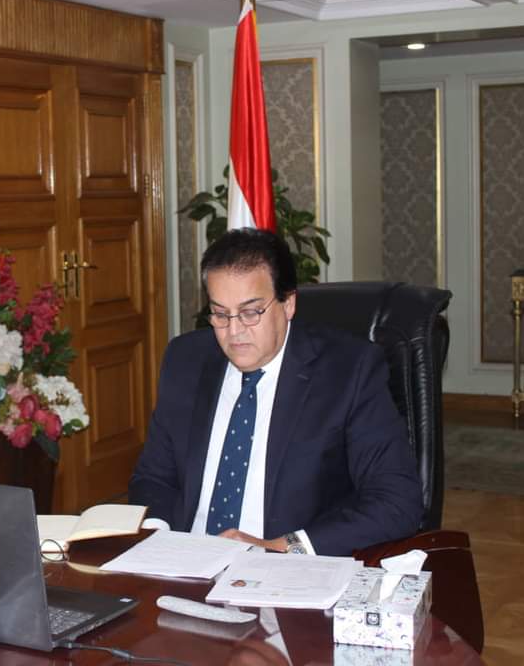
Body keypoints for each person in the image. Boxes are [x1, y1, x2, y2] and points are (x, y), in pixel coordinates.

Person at [129, 228, 423, 556]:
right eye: (221, 314)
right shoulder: (186, 360)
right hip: (186, 559)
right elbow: (154, 477)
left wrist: (282, 547)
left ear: (288, 304)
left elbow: (397, 501)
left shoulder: (348, 372)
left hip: (283, 565)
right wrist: (159, 541)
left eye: (250, 312)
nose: (234, 331)